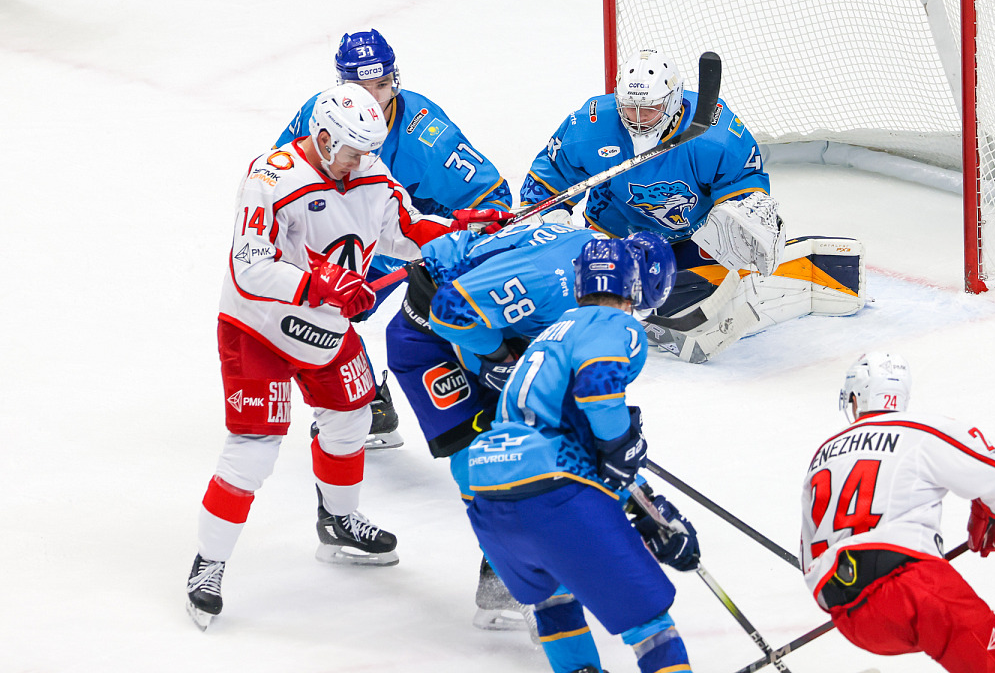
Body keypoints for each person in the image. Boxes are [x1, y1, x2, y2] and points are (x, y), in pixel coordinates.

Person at [187, 83, 507, 630]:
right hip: (258, 327)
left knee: (352, 419)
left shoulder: (372, 173)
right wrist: (322, 284)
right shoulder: (271, 177)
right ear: (323, 137)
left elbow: (405, 231)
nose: (364, 162)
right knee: (254, 449)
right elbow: (249, 266)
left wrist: (465, 229)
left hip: (325, 329)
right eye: (354, 151)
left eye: (370, 150)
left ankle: (337, 520)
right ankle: (208, 564)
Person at [389, 222, 673, 633]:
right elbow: (449, 309)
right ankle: (505, 580)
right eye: (636, 303)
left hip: (480, 324)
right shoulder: (550, 278)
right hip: (430, 334)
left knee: (539, 431)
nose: (627, 314)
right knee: (479, 454)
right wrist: (499, 357)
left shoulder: (589, 265)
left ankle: (511, 575)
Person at [519, 48, 865, 363]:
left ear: (672, 101)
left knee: (725, 268)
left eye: (649, 108)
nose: (637, 118)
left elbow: (745, 185)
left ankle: (798, 272)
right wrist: (549, 216)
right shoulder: (589, 125)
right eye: (629, 108)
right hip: (617, 230)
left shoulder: (718, 134)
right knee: (575, 284)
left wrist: (743, 216)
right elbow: (549, 176)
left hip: (694, 236)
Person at [466, 236, 699, 673]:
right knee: (649, 622)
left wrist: (645, 503)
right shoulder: (613, 323)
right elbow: (597, 390)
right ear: (635, 287)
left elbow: (572, 442)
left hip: (491, 496)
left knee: (555, 602)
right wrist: (622, 447)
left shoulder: (548, 334)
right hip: (554, 495)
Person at [278, 29, 513, 445]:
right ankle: (369, 405)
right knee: (314, 308)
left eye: (382, 84)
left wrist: (479, 228)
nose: (374, 97)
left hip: (413, 230)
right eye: (361, 86)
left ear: (395, 80)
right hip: (358, 224)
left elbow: (492, 196)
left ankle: (502, 392)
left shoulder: (427, 135)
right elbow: (286, 174)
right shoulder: (320, 113)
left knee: (342, 308)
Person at [799, 352, 995, 672]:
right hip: (913, 588)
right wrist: (991, 512)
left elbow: (808, 558)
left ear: (856, 398)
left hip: (847, 614)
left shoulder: (822, 455)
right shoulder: (921, 430)